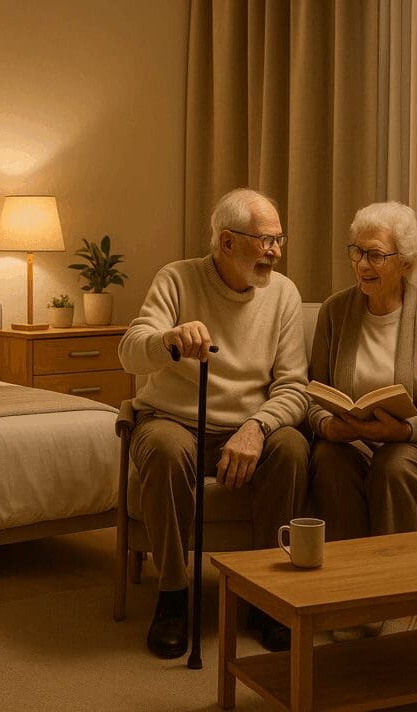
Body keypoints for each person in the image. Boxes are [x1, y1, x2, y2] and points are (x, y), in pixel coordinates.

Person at [119, 188, 309, 659]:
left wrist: (258, 427)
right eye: (266, 240)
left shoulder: (283, 294)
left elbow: (293, 387)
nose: (276, 251)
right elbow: (129, 349)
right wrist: (168, 339)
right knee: (164, 448)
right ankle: (173, 595)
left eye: (279, 240)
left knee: (291, 447)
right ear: (226, 242)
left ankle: (265, 595)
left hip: (248, 427)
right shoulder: (177, 279)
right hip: (175, 419)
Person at [308, 200, 417, 541]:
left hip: (416, 442)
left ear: (405, 263)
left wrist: (401, 431)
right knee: (327, 460)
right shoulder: (334, 311)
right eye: (357, 252)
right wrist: (328, 426)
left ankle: (391, 579)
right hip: (350, 440)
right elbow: (313, 393)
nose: (362, 264)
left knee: (391, 467)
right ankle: (347, 576)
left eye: (375, 255)